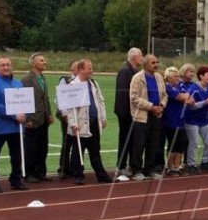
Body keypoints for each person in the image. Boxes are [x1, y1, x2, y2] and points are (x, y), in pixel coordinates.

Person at [64, 59, 111, 185]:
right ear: (80, 70)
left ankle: (101, 174)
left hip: (94, 121)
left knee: (95, 149)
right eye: (89, 68)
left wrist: (103, 118)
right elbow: (69, 108)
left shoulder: (94, 83)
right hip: (80, 123)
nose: (91, 70)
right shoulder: (72, 85)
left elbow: (100, 101)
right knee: (78, 150)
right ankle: (78, 175)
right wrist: (73, 124)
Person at [0, 57, 28, 193]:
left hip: (16, 128)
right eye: (3, 65)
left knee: (17, 156)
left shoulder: (17, 83)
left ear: (12, 66)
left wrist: (26, 115)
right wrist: (15, 115)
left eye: (8, 64)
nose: (6, 67)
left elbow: (25, 102)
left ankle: (16, 179)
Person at [128, 54, 167, 180]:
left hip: (156, 116)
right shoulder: (137, 78)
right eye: (153, 63)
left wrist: (161, 105)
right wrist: (151, 107)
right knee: (139, 145)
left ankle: (149, 169)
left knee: (153, 144)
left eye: (157, 62)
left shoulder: (159, 77)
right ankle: (136, 170)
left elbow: (165, 95)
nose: (156, 64)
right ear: (146, 64)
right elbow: (134, 98)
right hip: (141, 117)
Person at [22, 53, 53, 183]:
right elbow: (24, 99)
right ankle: (28, 173)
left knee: (42, 147)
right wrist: (27, 119)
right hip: (33, 119)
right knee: (31, 148)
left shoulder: (42, 77)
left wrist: (49, 114)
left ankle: (40, 172)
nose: (44, 62)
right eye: (41, 60)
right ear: (34, 63)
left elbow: (45, 98)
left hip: (43, 118)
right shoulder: (27, 79)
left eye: (44, 59)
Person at [114, 48, 143, 180]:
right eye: (140, 55)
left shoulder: (135, 72)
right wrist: (124, 113)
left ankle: (131, 165)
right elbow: (122, 93)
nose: (142, 58)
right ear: (134, 57)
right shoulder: (125, 71)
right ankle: (120, 166)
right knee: (125, 139)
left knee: (133, 140)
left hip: (133, 112)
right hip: (126, 113)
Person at [184, 66, 208, 173]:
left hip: (204, 119)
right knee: (193, 143)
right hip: (192, 119)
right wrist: (205, 102)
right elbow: (191, 106)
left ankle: (205, 161)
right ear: (201, 76)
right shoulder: (194, 89)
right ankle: (190, 164)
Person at [161, 66, 188, 175]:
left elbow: (188, 96)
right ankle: (169, 167)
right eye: (175, 76)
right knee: (172, 143)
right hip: (170, 120)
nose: (178, 78)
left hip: (180, 119)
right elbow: (182, 97)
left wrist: (185, 96)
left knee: (180, 143)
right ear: (168, 78)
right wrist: (185, 96)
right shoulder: (167, 88)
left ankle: (177, 167)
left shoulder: (179, 86)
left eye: (178, 76)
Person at [56, 60, 77, 180]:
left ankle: (74, 167)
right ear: (71, 69)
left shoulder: (84, 81)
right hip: (67, 115)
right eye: (75, 67)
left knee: (77, 142)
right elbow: (59, 98)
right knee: (67, 141)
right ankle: (63, 168)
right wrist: (64, 113)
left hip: (79, 115)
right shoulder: (65, 80)